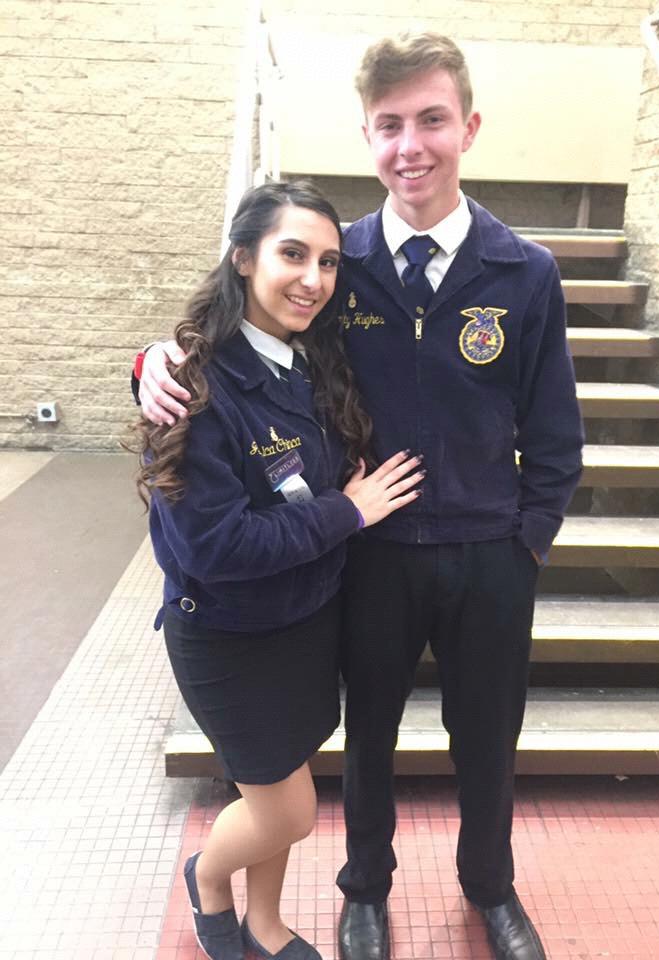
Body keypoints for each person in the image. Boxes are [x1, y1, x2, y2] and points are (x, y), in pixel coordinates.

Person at [133, 34, 584, 960]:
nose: (410, 144)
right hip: (370, 551)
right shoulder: (344, 264)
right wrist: (155, 359)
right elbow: (250, 322)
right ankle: (365, 890)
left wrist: (527, 542)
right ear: (368, 137)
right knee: (368, 734)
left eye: (431, 120)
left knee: (488, 736)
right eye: (389, 125)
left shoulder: (525, 271)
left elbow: (555, 431)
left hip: (490, 555)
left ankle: (491, 887)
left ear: (469, 128)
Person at [133, 180, 424, 960]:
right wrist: (347, 512)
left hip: (305, 623)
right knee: (288, 810)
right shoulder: (194, 388)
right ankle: (206, 878)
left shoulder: (311, 361)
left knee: (278, 784)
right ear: (242, 258)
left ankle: (263, 922)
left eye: (328, 262)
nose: (313, 279)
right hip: (229, 638)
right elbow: (216, 548)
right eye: (292, 254)